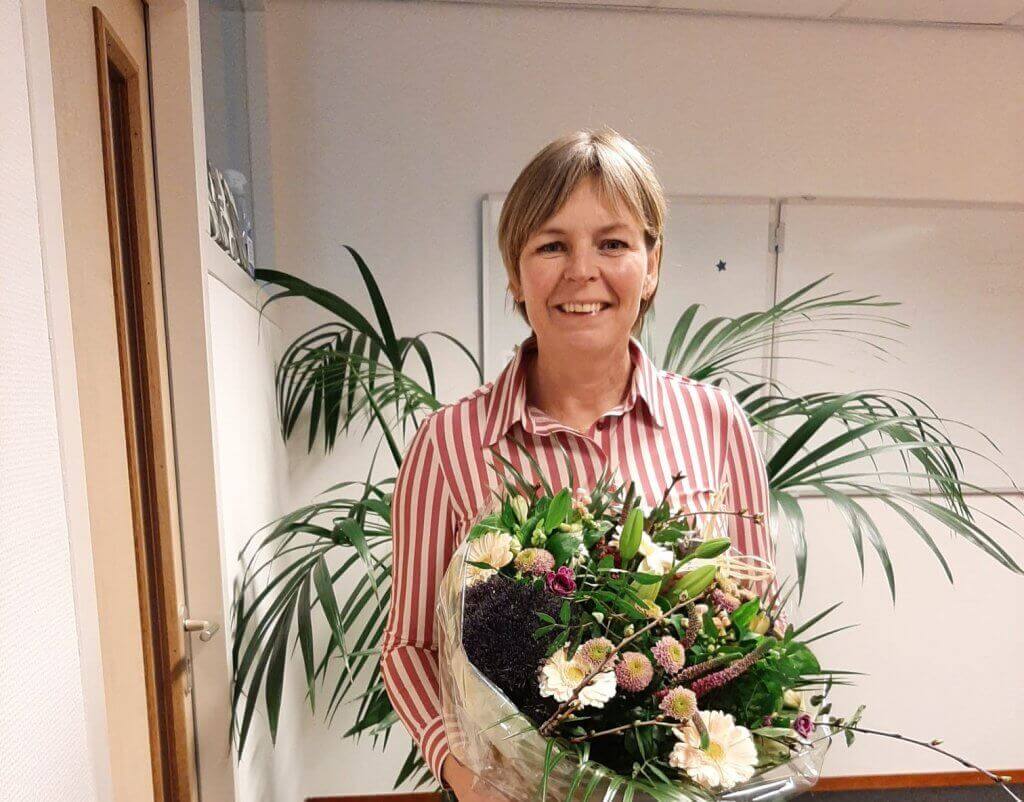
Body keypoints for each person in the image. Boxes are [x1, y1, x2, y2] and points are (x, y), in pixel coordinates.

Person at [380, 128, 775, 801]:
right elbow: (410, 646)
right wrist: (467, 780)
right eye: (552, 245)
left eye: (613, 243)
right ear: (515, 273)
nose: (581, 271)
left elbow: (755, 627)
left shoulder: (716, 424)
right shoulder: (449, 443)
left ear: (652, 264)